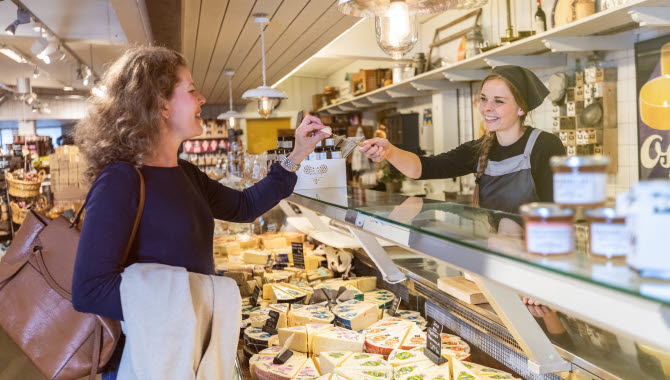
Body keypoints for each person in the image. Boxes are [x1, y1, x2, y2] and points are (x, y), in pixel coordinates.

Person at [71, 46, 327, 379]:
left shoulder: (187, 173)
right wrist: (200, 299)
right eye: (191, 90)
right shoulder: (121, 180)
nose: (202, 98)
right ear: (161, 104)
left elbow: (244, 206)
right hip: (150, 356)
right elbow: (89, 290)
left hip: (192, 346)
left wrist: (298, 154)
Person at [358, 65, 566, 213]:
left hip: (536, 254)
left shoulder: (545, 146)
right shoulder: (480, 148)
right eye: (483, 99)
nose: (487, 108)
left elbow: (560, 209)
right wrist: (390, 151)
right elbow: (424, 168)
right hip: (495, 252)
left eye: (499, 101)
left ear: (521, 108)